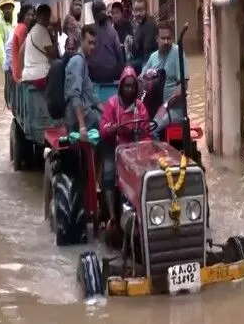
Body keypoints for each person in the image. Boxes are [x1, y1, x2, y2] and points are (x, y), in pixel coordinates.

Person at [99, 65, 151, 229]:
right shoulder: (112, 104)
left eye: (132, 86)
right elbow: (103, 129)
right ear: (121, 87)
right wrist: (113, 128)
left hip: (135, 148)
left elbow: (146, 130)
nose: (129, 89)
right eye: (126, 86)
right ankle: (113, 218)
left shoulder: (140, 107)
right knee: (108, 174)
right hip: (116, 147)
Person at [140, 21, 189, 136]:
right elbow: (141, 80)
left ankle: (158, 153)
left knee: (151, 130)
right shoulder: (153, 57)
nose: (166, 42)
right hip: (154, 108)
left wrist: (166, 105)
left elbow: (183, 85)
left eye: (169, 38)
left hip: (174, 110)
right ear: (157, 38)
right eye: (163, 38)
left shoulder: (177, 52)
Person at [64, 24, 103, 136]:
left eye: (94, 43)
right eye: (89, 43)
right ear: (81, 40)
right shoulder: (77, 61)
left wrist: (107, 112)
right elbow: (74, 95)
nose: (92, 47)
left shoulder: (83, 61)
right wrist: (82, 127)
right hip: (78, 120)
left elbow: (91, 95)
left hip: (86, 115)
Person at [21, 4, 58, 89]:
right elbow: (54, 54)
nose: (47, 21)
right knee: (59, 67)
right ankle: (56, 102)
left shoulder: (31, 31)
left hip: (27, 74)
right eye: (46, 18)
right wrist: (55, 34)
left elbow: (21, 52)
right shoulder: (43, 30)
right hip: (39, 75)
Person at [87, 1, 124, 84]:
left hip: (94, 72)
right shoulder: (112, 31)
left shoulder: (89, 30)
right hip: (110, 72)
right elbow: (119, 54)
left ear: (93, 14)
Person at [129, 0, 157, 73]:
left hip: (148, 61)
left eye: (141, 10)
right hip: (141, 59)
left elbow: (147, 51)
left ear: (146, 10)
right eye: (136, 11)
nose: (138, 14)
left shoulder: (149, 25)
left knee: (127, 67)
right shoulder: (139, 25)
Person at [10, 4, 35, 83]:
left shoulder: (19, 26)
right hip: (20, 72)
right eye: (28, 15)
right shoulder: (23, 28)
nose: (30, 17)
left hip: (17, 70)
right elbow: (24, 53)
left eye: (32, 15)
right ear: (23, 15)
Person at [0, 0, 15, 68]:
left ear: (13, 8)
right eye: (6, 8)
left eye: (10, 7)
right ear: (2, 9)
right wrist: (6, 65)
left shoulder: (15, 22)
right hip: (8, 63)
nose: (8, 10)